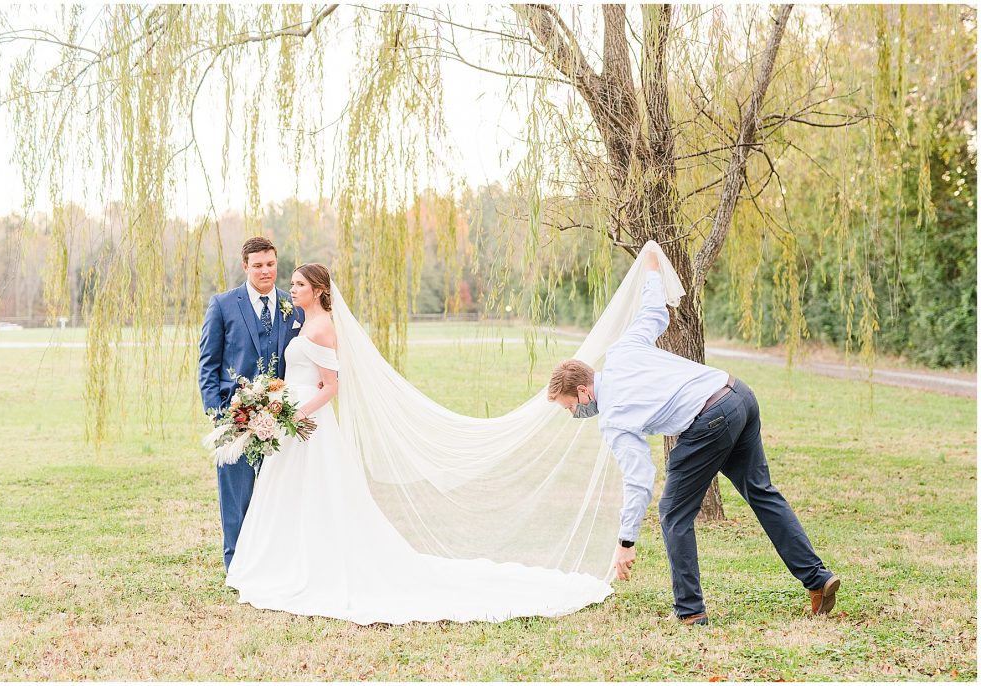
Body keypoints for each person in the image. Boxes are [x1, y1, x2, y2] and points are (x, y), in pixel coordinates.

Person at [222, 263, 613, 625]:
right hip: (291, 420)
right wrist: (275, 404)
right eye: (292, 284)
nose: (291, 289)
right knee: (287, 492)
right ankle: (281, 560)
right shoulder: (301, 323)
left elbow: (331, 387)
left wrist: (294, 414)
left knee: (318, 493)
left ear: (320, 290)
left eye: (299, 285)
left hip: (307, 422)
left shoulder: (323, 327)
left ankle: (315, 564)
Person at [547, 243, 840, 626]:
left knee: (673, 513)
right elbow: (654, 313)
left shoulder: (613, 416)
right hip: (738, 393)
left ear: (584, 392)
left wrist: (625, 542)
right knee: (762, 493)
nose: (575, 414)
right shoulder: (622, 351)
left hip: (709, 418)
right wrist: (652, 269)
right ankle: (817, 580)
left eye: (571, 406)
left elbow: (639, 480)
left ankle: (690, 612)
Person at [198, 236, 303, 571]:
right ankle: (237, 566)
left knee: (279, 496)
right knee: (236, 498)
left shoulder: (293, 306)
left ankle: (275, 563)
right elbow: (208, 364)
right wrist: (219, 416)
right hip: (237, 419)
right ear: (245, 266)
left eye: (270, 264)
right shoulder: (223, 305)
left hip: (281, 417)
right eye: (257, 265)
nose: (265, 271)